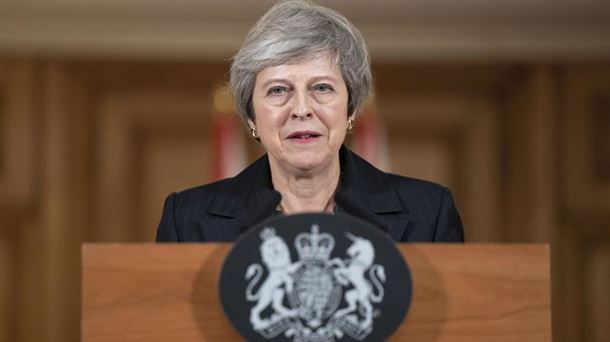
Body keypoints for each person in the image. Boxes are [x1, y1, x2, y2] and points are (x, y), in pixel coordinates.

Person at [156, 0, 464, 243]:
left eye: (322, 88)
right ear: (250, 115)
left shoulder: (430, 212)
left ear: (351, 108)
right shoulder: (186, 219)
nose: (301, 109)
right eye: (279, 90)